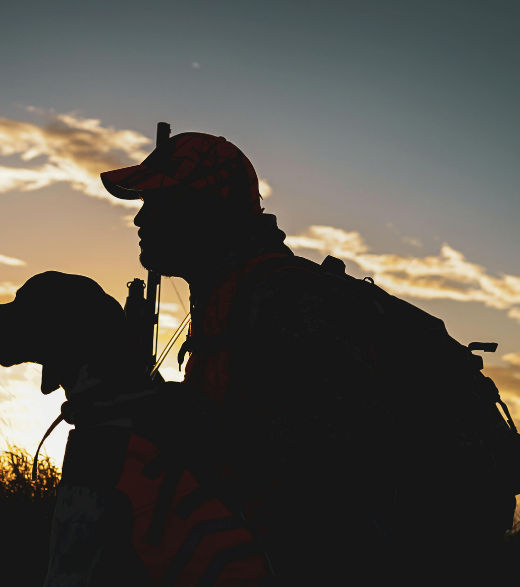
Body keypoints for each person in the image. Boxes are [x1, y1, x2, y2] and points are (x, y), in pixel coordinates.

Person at [43, 132, 400, 586]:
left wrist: (190, 418)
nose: (139, 218)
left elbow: (354, 447)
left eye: (155, 203)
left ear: (202, 210)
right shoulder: (225, 299)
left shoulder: (288, 297)